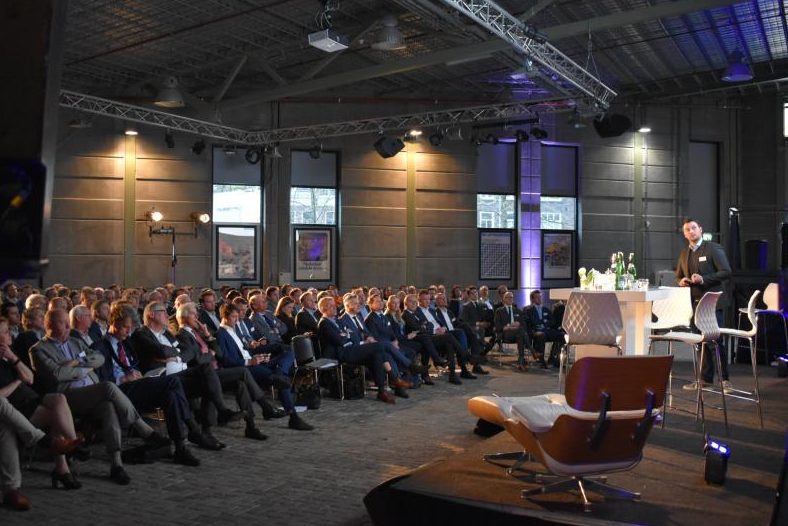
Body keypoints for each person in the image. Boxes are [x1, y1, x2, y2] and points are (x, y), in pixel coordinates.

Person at [30, 308, 171, 485]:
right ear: (49, 325)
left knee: (108, 407)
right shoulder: (39, 349)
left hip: (92, 392)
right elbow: (57, 374)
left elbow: (99, 358)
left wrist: (75, 364)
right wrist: (83, 367)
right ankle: (144, 430)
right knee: (108, 387)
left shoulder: (75, 342)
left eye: (68, 322)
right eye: (62, 323)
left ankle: (116, 465)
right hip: (67, 397)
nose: (68, 326)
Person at [94, 305, 202, 465]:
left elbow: (133, 363)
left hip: (136, 384)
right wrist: (123, 378)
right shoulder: (100, 346)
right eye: (125, 327)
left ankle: (180, 447)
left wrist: (136, 372)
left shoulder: (126, 343)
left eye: (130, 328)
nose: (128, 331)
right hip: (118, 390)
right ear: (113, 323)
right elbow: (101, 378)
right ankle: (191, 429)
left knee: (172, 395)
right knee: (173, 381)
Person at [675, 217, 733, 392]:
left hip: (713, 303)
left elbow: (726, 272)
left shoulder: (713, 248)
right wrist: (681, 281)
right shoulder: (685, 253)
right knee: (700, 342)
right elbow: (678, 275)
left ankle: (725, 380)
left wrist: (704, 279)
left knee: (716, 341)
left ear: (700, 230)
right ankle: (704, 380)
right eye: (687, 229)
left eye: (693, 228)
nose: (691, 231)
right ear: (684, 234)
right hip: (694, 304)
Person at [523, 290, 564, 368]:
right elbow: (530, 322)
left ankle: (553, 358)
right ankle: (541, 361)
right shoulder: (527, 309)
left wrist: (542, 324)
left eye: (540, 297)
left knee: (562, 335)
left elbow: (552, 322)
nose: (539, 299)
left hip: (546, 330)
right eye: (537, 297)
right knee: (541, 335)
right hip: (535, 331)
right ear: (532, 299)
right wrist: (543, 322)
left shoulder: (546, 309)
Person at [494, 291, 530, 371]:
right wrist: (510, 326)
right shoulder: (499, 311)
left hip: (517, 334)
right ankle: (532, 350)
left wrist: (517, 325)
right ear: (503, 299)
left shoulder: (518, 311)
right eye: (508, 297)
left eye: (511, 297)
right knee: (520, 331)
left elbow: (523, 325)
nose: (510, 299)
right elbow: (498, 327)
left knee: (520, 334)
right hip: (505, 334)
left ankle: (520, 362)